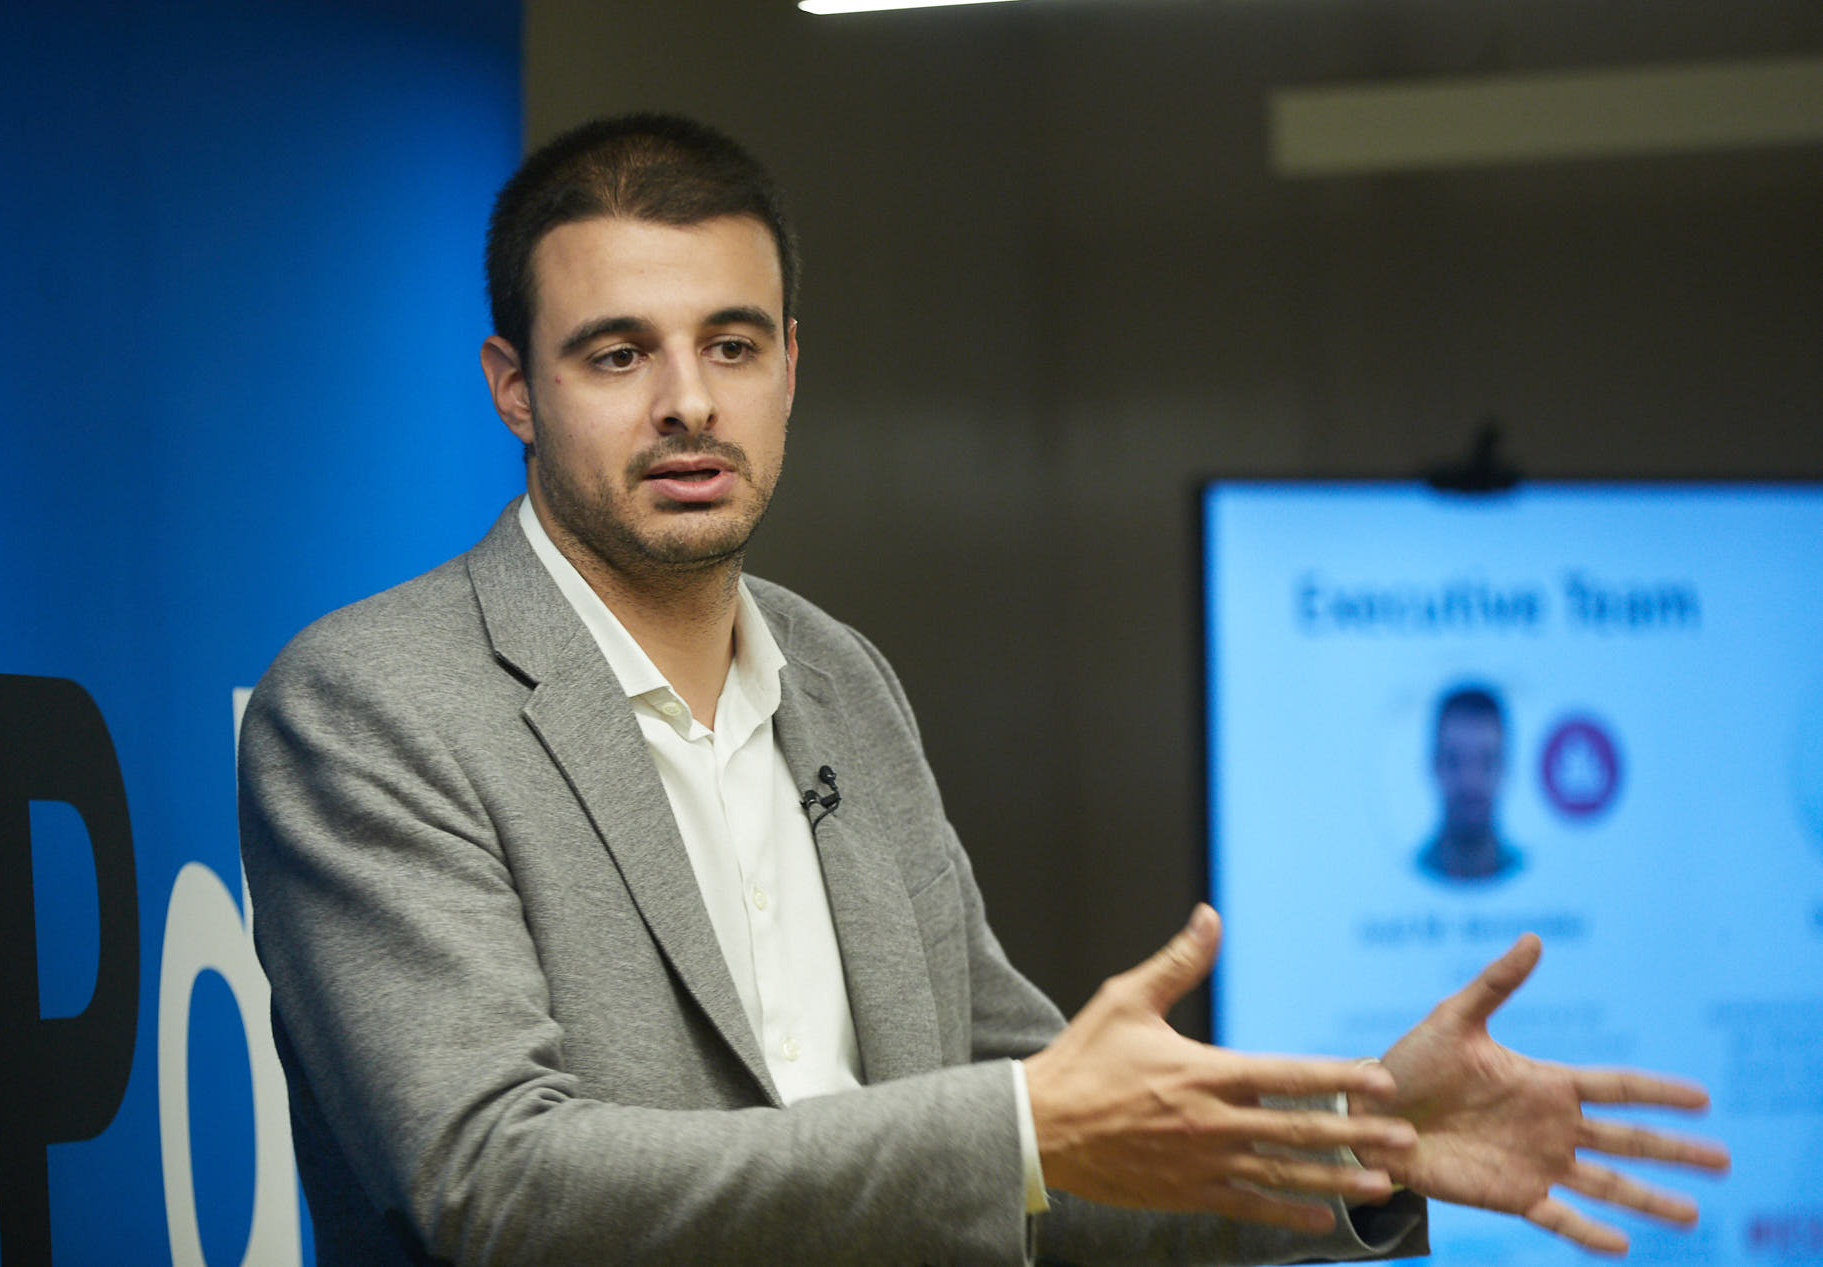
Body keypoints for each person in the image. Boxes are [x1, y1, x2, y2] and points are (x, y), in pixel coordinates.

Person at [238, 114, 1726, 1265]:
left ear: (792, 367)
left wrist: (1362, 1140)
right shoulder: (374, 701)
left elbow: (1062, 1134)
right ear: (512, 385)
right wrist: (1020, 1127)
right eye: (617, 352)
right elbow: (495, 1178)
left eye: (732, 344)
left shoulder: (841, 677)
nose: (688, 399)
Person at [1417, 685, 1525, 884]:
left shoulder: (1528, 874)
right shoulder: (1407, 873)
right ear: (1434, 767)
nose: (1470, 781)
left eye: (1486, 761)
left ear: (1505, 768)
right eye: (1454, 761)